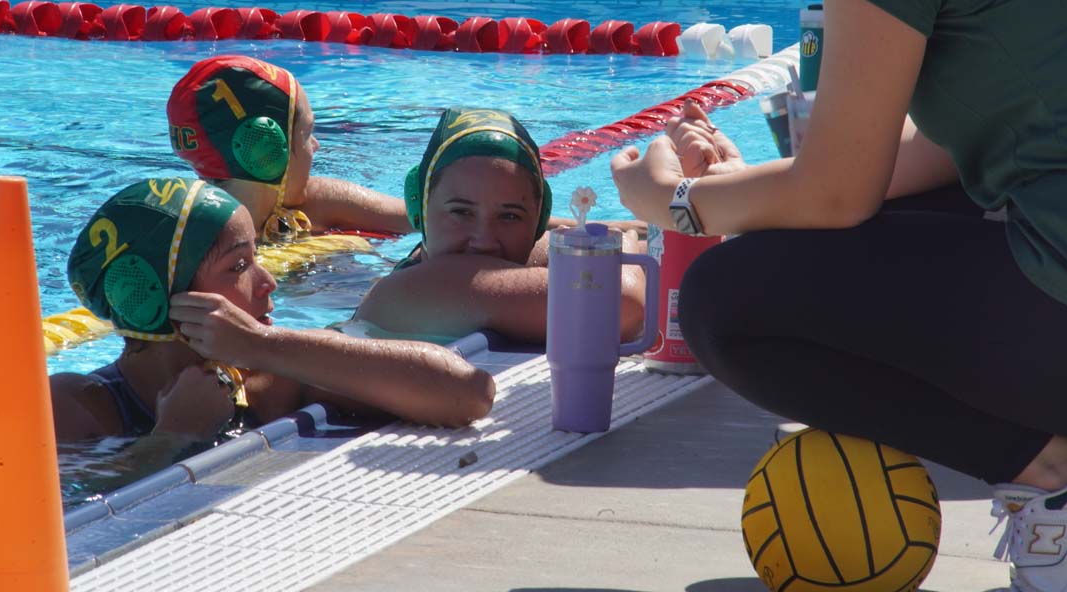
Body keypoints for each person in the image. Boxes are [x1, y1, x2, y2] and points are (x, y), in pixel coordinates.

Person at [610, 0, 1067, 588]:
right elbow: (945, 144)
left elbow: (837, 193)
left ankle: (1060, 477)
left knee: (727, 303)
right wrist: (745, 184)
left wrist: (672, 202)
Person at [51, 177, 495, 475]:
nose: (267, 282)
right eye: (239, 266)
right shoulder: (76, 407)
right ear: (148, 298)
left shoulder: (274, 374)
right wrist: (171, 439)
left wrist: (264, 344)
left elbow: (468, 391)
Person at [354, 107, 647, 344]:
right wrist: (629, 242)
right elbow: (618, 304)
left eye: (509, 216)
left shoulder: (483, 259)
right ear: (420, 209)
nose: (484, 240)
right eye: (461, 212)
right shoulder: (425, 284)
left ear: (537, 220)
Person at [167, 54, 412, 242]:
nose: (315, 146)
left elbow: (424, 218)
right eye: (306, 134)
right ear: (265, 150)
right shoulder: (195, 243)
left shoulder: (325, 202)